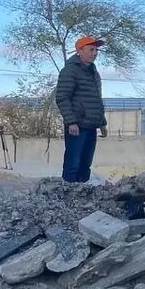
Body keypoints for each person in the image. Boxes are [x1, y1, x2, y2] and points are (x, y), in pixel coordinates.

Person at [55, 35, 108, 183]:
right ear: (79, 51)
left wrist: (102, 122)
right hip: (77, 126)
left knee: (85, 164)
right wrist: (71, 122)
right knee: (73, 162)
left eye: (96, 50)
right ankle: (68, 196)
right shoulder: (70, 71)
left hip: (91, 125)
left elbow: (97, 99)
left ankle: (81, 195)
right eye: (91, 49)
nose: (95, 53)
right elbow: (62, 97)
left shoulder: (93, 72)